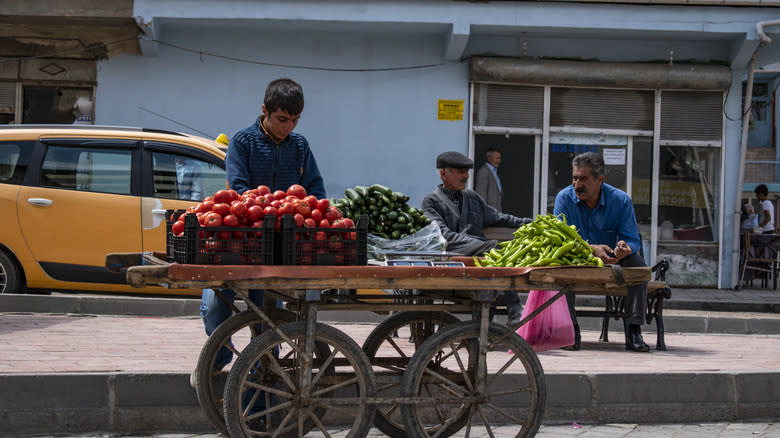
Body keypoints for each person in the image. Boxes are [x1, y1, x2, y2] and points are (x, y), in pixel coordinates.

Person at [200, 78, 326, 373]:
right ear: (265, 111)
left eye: (295, 120)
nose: (289, 127)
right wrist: (270, 205)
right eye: (283, 119)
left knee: (268, 316)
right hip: (243, 237)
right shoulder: (242, 141)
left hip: (282, 245)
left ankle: (261, 380)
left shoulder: (300, 145)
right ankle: (216, 361)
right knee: (215, 306)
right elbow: (240, 187)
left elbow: (315, 188)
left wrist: (316, 211)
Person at [553, 151, 650, 352]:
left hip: (612, 260)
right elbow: (560, 239)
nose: (577, 184)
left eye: (583, 179)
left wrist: (625, 248)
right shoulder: (564, 198)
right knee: (558, 267)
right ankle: (571, 329)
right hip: (577, 259)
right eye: (575, 178)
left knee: (638, 265)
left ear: (600, 180)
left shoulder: (620, 200)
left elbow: (632, 238)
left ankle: (634, 329)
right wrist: (591, 249)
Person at [422, 151, 532, 324]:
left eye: (467, 171)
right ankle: (515, 306)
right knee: (494, 249)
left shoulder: (472, 197)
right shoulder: (431, 201)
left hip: (482, 256)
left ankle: (500, 316)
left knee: (496, 253)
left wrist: (530, 223)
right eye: (460, 171)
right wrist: (480, 245)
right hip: (452, 254)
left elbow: (498, 218)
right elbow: (443, 236)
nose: (466, 176)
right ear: (443, 173)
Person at [475, 147, 503, 212]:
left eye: (499, 158)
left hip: (496, 212)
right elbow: (481, 195)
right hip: (489, 213)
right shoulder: (484, 172)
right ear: (489, 158)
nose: (499, 160)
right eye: (497, 158)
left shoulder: (494, 171)